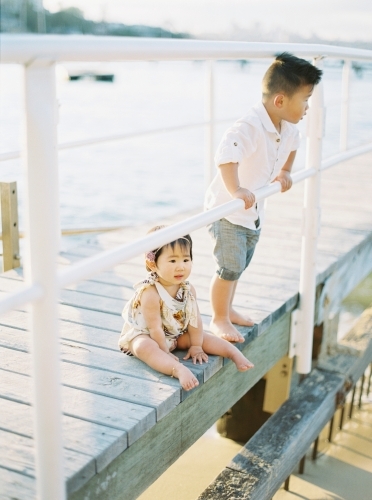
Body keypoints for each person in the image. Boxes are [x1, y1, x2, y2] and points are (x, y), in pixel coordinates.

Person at [205, 52, 323, 343]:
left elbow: (294, 145)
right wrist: (236, 190)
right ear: (280, 101)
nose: (308, 107)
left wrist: (284, 171)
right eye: (305, 99)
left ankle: (228, 309)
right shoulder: (249, 126)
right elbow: (226, 156)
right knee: (228, 266)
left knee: (240, 265)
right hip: (229, 209)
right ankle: (218, 317)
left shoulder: (288, 127)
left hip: (253, 212)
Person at [119, 226, 254, 391]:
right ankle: (177, 370)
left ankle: (233, 353)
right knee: (143, 347)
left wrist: (196, 345)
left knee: (203, 337)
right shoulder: (150, 293)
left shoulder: (187, 289)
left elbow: (194, 319)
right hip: (149, 335)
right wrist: (165, 352)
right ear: (152, 264)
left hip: (174, 334)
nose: (181, 267)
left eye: (185, 259)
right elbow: (154, 329)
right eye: (172, 260)